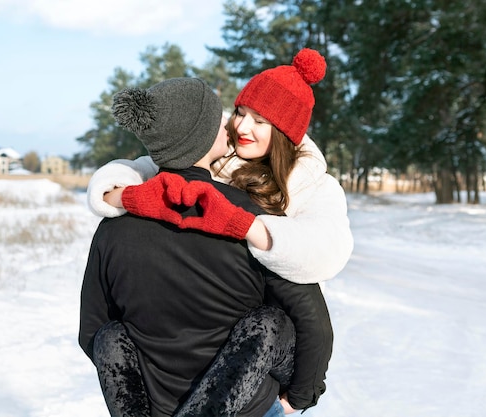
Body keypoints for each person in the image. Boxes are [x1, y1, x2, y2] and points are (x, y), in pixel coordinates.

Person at [79, 77, 333, 416]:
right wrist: (300, 398)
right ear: (202, 137)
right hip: (247, 406)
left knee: (111, 334)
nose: (231, 125)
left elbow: (94, 333)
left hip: (153, 406)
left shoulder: (112, 227)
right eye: (221, 120)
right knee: (274, 323)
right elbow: (312, 320)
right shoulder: (249, 221)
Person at [86, 48, 353, 286]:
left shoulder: (315, 184)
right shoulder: (216, 151)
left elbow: (328, 251)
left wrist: (246, 226)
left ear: (284, 134)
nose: (242, 127)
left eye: (259, 121)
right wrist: (123, 195)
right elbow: (139, 168)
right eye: (240, 112)